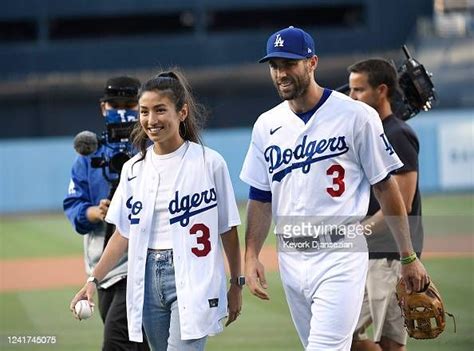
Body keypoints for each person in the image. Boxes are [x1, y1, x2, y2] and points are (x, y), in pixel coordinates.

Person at [239, 26, 429, 351]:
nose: (280, 73)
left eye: (289, 64)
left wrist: (408, 256)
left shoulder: (356, 116)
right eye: (274, 65)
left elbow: (386, 188)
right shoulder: (266, 125)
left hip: (341, 252)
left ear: (312, 63)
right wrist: (252, 254)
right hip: (291, 257)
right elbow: (260, 196)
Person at [69, 70, 243, 351]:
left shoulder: (210, 163)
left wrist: (237, 283)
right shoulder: (133, 169)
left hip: (194, 276)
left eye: (160, 110)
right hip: (147, 279)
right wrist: (92, 280)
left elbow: (228, 230)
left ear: (182, 112)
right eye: (144, 111)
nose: (151, 120)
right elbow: (122, 234)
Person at [64, 76, 150, 351]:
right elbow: (73, 205)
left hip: (143, 264)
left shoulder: (154, 148)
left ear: (140, 107)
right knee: (141, 345)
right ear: (103, 107)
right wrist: (95, 212)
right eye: (115, 103)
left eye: (130, 103)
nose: (122, 109)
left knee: (115, 343)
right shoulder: (89, 155)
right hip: (103, 267)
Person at [348, 59, 424, 351]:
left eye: (358, 90)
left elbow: (400, 204)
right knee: (342, 336)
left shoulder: (398, 135)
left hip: (391, 256)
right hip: (367, 255)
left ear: (382, 91)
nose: (352, 97)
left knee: (390, 343)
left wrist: (354, 233)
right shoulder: (369, 132)